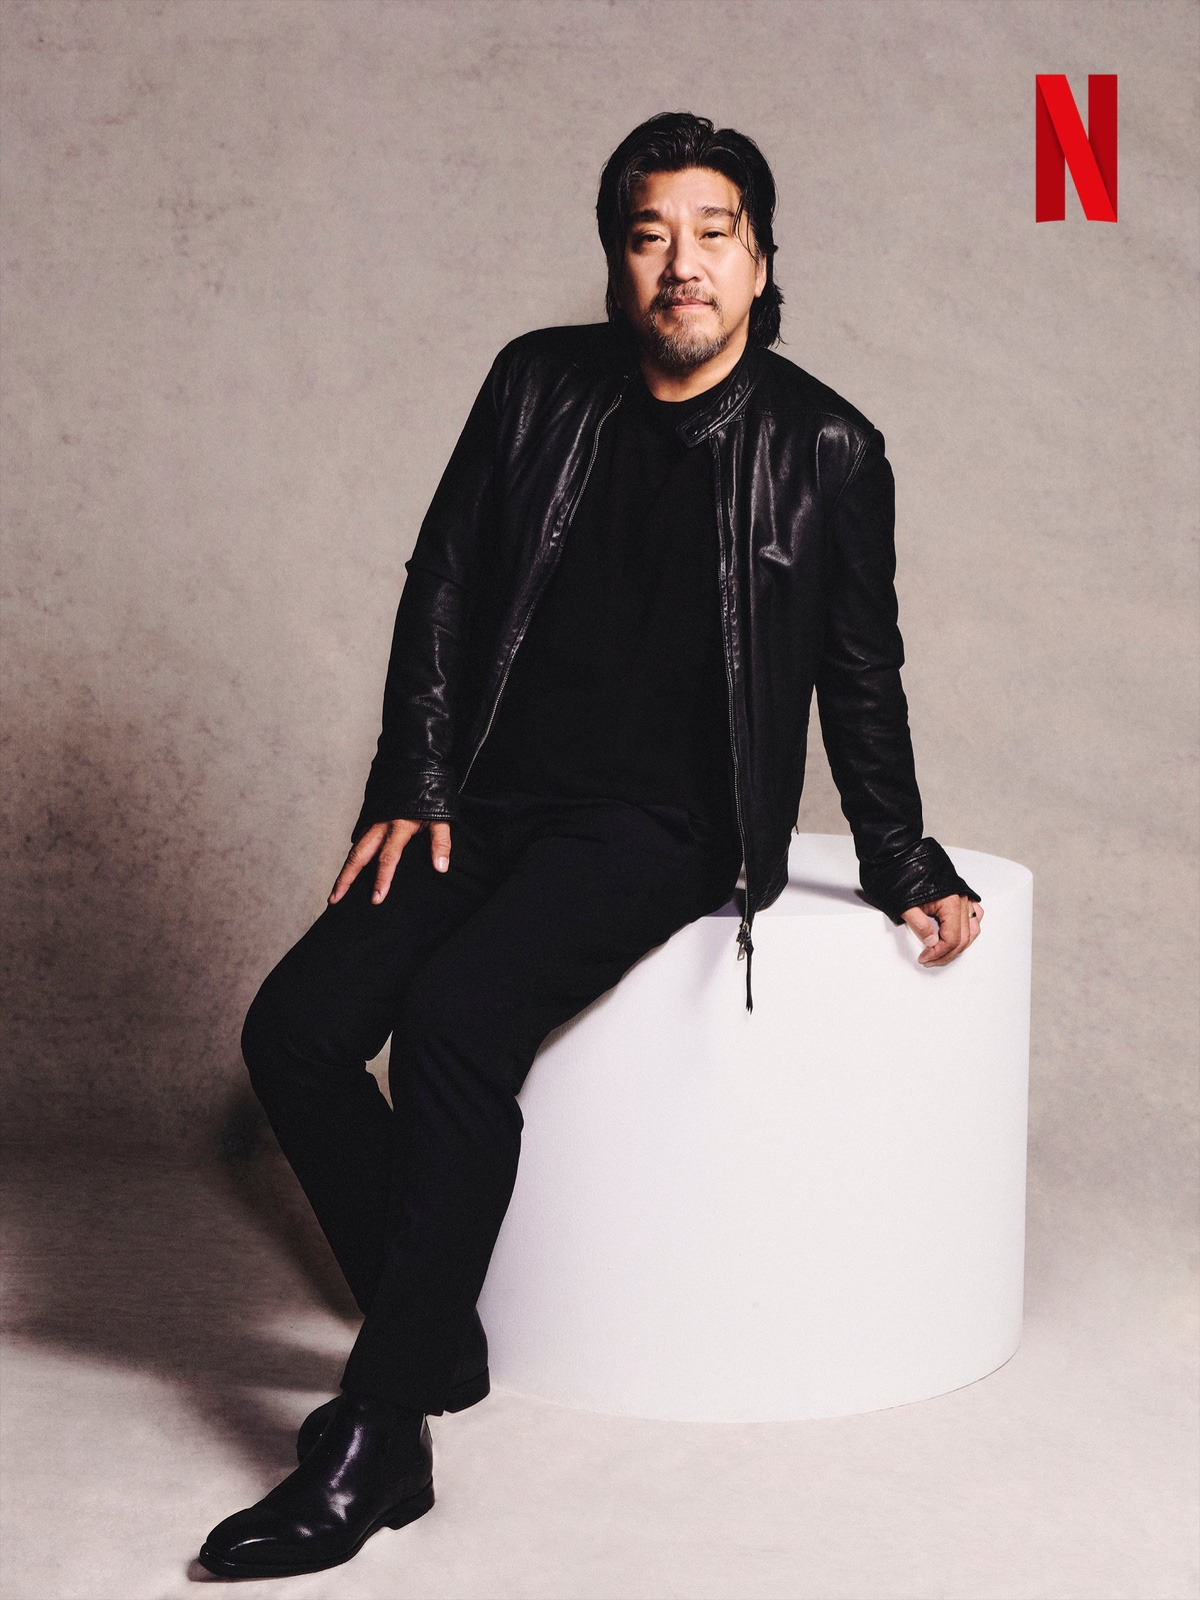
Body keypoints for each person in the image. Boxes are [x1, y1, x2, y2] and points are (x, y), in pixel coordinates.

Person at [197, 111, 983, 1581]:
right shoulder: (535, 385)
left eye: (713, 233)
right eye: (649, 235)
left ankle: (379, 1431)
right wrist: (416, 776)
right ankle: (435, 1330)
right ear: (618, 263)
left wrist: (902, 858)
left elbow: (860, 671)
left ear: (761, 261)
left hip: (665, 826)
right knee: (294, 1029)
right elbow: (445, 579)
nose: (682, 263)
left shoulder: (828, 449)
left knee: (455, 1017)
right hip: (489, 798)